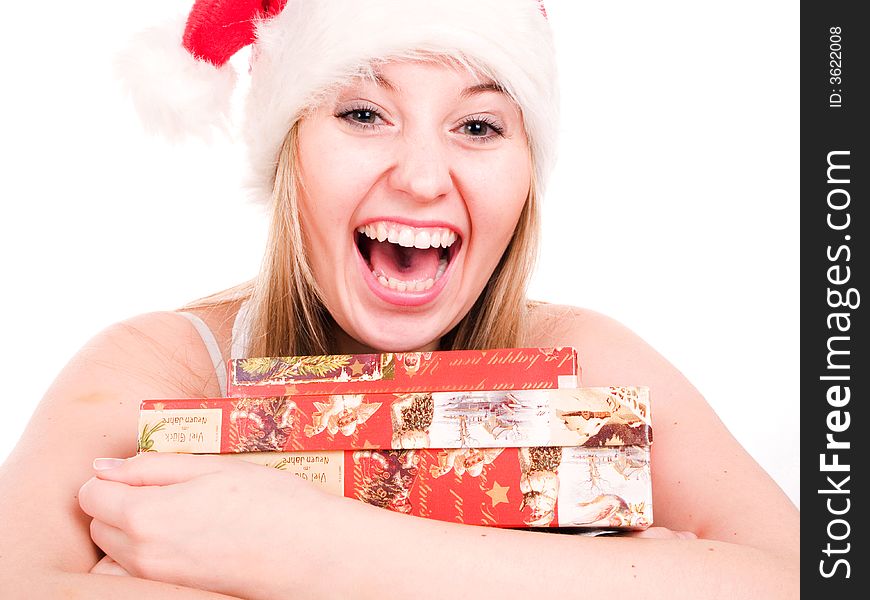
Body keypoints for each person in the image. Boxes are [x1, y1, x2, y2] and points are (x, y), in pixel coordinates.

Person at [0, 0, 799, 598]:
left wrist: (310, 548)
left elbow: (793, 579)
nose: (421, 177)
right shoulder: (155, 369)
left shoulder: (585, 364)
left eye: (479, 126)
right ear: (289, 153)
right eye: (362, 113)